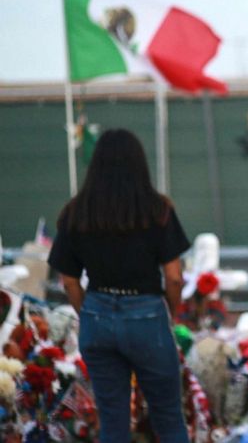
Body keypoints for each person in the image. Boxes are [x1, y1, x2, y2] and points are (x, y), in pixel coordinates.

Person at [48, 129, 189, 443]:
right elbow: (175, 276)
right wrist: (170, 312)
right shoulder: (158, 210)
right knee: (167, 419)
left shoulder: (75, 212)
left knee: (112, 423)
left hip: (97, 314)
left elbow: (69, 279)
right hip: (147, 318)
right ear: (139, 164)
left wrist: (89, 312)